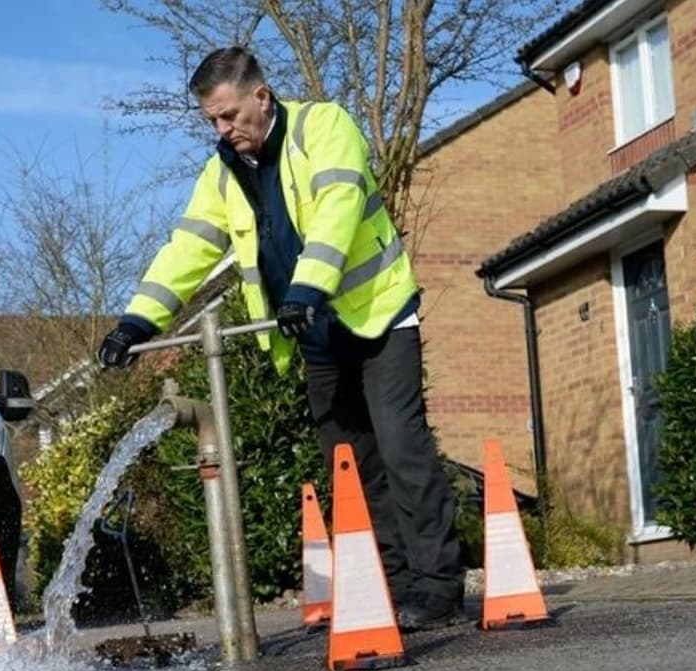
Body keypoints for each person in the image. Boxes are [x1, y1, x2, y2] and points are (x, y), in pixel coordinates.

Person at [96, 46, 463, 631]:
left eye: (229, 115)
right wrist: (135, 323)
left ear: (262, 97)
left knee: (402, 450)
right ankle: (393, 589)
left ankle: (439, 587)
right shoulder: (223, 174)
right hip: (315, 335)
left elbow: (338, 208)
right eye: (213, 120)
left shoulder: (324, 127)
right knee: (352, 466)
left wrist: (306, 288)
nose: (222, 129)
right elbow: (188, 249)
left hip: (378, 317)